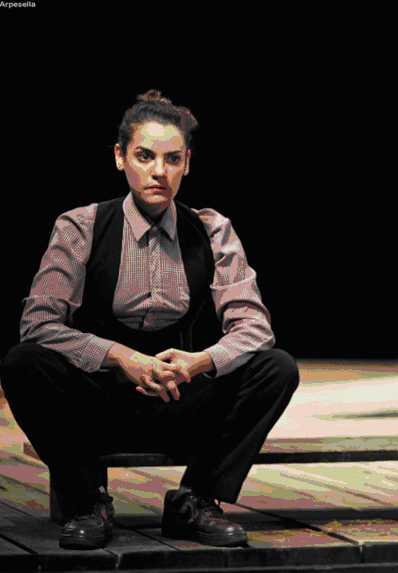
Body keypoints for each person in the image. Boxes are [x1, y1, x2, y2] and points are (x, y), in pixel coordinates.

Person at [0, 90, 300, 550]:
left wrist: (199, 362)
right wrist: (121, 358)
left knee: (276, 367)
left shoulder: (212, 229)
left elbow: (255, 328)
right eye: (145, 156)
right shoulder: (81, 226)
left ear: (187, 164)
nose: (159, 171)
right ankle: (87, 502)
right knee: (23, 362)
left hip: (179, 399)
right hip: (100, 402)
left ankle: (194, 500)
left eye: (172, 159)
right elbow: (39, 322)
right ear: (120, 157)